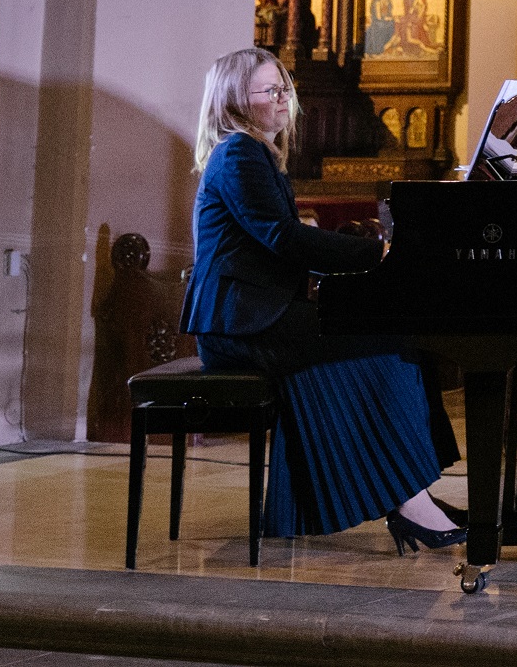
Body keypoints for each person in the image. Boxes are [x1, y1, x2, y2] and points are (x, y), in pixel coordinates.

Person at [181, 47, 465, 551]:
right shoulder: (238, 153)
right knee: (387, 342)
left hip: (258, 317)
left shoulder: (255, 155)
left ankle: (414, 492)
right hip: (239, 325)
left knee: (392, 336)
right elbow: (283, 238)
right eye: (271, 90)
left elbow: (279, 245)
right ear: (234, 100)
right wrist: (380, 254)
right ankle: (410, 501)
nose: (283, 99)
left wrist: (366, 263)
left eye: (285, 88)